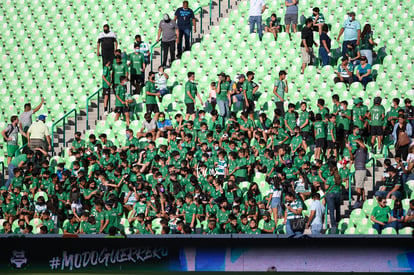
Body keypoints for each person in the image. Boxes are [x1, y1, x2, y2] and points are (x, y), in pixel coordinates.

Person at [325, 166, 342, 233]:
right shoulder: (339, 178)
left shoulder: (329, 178)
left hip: (330, 194)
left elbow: (326, 187)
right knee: (338, 209)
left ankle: (333, 226)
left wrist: (325, 182)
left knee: (331, 211)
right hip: (337, 194)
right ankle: (338, 221)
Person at [353, 138, 368, 205]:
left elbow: (364, 147)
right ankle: (363, 199)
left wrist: (358, 141)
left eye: (358, 143)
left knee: (358, 186)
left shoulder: (364, 150)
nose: (357, 144)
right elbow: (352, 158)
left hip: (361, 169)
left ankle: (358, 200)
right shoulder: (356, 151)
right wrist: (350, 151)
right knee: (360, 186)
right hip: (357, 169)